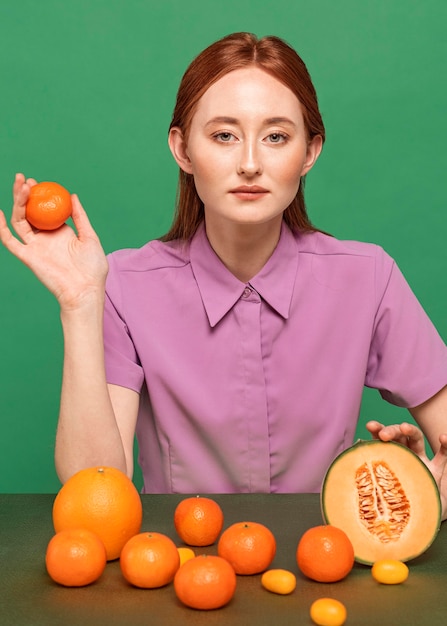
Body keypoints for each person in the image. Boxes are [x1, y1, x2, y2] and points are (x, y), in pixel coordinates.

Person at [1, 32, 447, 518]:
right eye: (223, 135)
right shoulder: (123, 285)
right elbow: (94, 488)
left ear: (310, 151)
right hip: (177, 570)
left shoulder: (369, 278)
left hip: (325, 570)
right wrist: (81, 302)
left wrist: (425, 489)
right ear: (183, 149)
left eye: (276, 136)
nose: (251, 164)